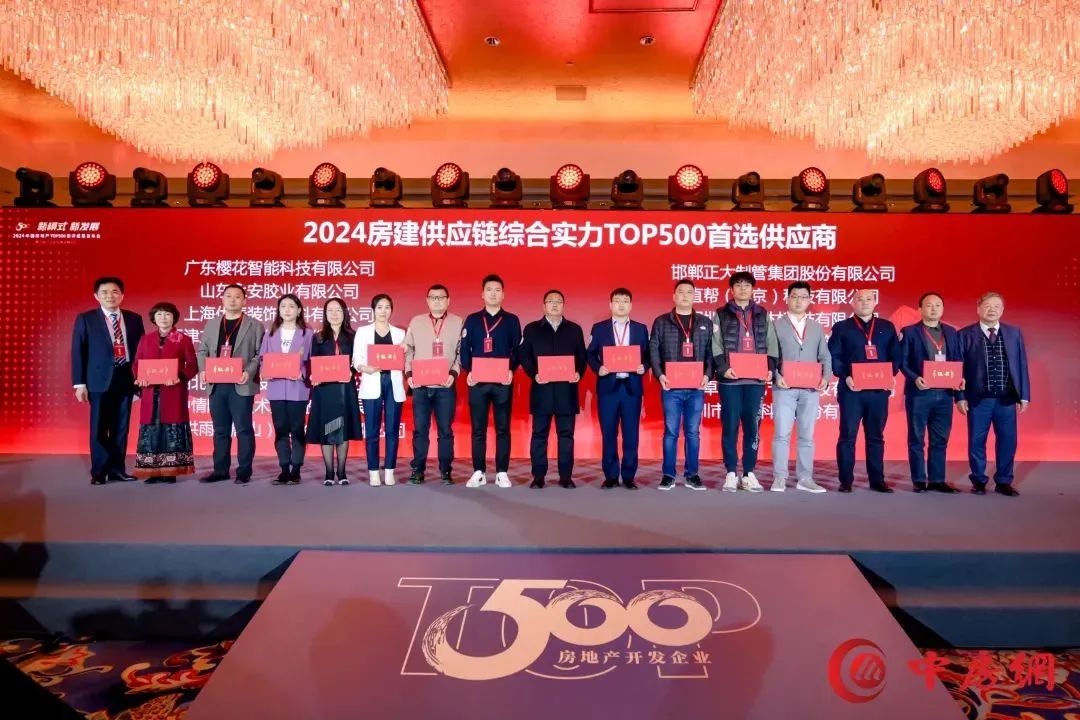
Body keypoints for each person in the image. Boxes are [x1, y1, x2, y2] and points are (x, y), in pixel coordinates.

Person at [71, 276, 146, 485]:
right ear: (96, 296)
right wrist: (79, 384)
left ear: (122, 295)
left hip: (126, 379)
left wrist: (141, 379)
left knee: (121, 428)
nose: (110, 296)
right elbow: (78, 351)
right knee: (99, 428)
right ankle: (99, 471)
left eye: (114, 292)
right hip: (98, 380)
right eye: (104, 292)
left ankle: (117, 470)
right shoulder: (86, 319)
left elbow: (142, 352)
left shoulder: (134, 319)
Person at [956, 292, 1030, 497]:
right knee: (976, 441)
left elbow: (1022, 365)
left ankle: (1004, 481)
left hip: (1006, 399)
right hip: (978, 399)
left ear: (1002, 310)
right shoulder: (964, 334)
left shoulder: (1014, 333)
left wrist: (1024, 396)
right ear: (978, 309)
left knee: (1007, 441)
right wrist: (960, 396)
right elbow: (958, 368)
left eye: (997, 306)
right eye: (988, 306)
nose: (992, 309)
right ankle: (978, 480)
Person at [712, 271, 778, 493]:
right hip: (730, 381)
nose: (743, 288)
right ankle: (731, 472)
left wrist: (770, 369)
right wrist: (723, 368)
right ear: (731, 289)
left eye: (747, 285)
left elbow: (771, 343)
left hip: (756, 381)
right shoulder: (721, 314)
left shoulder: (762, 314)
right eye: (738, 285)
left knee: (753, 428)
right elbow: (715, 344)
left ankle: (749, 472)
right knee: (730, 427)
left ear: (752, 289)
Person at [828, 289, 900, 493]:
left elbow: (896, 355)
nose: (865, 302)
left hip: (878, 392)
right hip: (852, 391)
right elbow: (835, 356)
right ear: (852, 303)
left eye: (869, 299)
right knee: (847, 435)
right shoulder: (841, 327)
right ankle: (846, 481)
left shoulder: (886, 327)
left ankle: (877, 481)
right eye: (860, 299)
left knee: (876, 436)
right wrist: (845, 376)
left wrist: (891, 375)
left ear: (875, 302)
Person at [648, 278, 714, 491]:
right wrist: (659, 375)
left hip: (696, 387)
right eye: (681, 292)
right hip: (671, 387)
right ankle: (668, 475)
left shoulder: (705, 322)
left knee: (693, 432)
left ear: (694, 296)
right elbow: (653, 350)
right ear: (674, 296)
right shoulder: (661, 322)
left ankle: (692, 474)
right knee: (671, 432)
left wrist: (707, 375)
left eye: (689, 292)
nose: (685, 296)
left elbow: (711, 352)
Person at [519, 290, 588, 489]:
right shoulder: (532, 329)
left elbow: (582, 357)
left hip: (567, 391)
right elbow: (524, 356)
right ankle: (538, 476)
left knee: (566, 436)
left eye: (558, 301)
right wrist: (534, 374)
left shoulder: (574, 329)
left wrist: (578, 373)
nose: (555, 304)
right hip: (542, 390)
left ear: (564, 306)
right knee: (539, 435)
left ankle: (565, 476)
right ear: (544, 306)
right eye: (550, 301)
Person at [197, 284, 264, 484]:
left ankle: (244, 471)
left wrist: (248, 372)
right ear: (222, 299)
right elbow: (202, 351)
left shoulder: (255, 325)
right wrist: (203, 370)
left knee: (243, 429)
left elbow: (259, 354)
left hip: (241, 384)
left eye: (237, 296)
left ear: (244, 301)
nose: (232, 300)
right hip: (217, 385)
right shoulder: (212, 324)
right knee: (220, 430)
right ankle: (220, 470)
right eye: (228, 296)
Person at [460, 274, 522, 488]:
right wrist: (468, 370)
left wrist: (511, 369)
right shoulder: (472, 320)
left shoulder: (512, 320)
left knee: (503, 428)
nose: (493, 293)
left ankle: (502, 472)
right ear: (482, 294)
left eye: (497, 290)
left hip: (502, 382)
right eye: (489, 289)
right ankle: (478, 471)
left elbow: (518, 350)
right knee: (478, 429)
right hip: (477, 382)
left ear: (503, 294)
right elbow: (464, 349)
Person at [898, 292, 963, 493]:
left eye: (937, 305)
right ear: (920, 309)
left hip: (945, 394)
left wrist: (959, 379)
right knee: (917, 438)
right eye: (928, 305)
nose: (933, 309)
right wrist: (915, 378)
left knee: (940, 439)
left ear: (942, 309)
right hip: (920, 393)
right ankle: (919, 480)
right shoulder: (909, 332)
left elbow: (957, 360)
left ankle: (937, 480)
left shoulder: (951, 332)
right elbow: (902, 362)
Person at [771, 281, 831, 493]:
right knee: (782, 434)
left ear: (809, 300)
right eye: (794, 296)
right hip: (784, 388)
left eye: (803, 297)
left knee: (807, 435)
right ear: (787, 299)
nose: (798, 301)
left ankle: (805, 478)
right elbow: (769, 355)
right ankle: (779, 477)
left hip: (810, 389)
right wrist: (776, 376)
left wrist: (826, 377)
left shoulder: (816, 327)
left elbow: (824, 355)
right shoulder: (775, 325)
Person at [586, 288, 649, 490]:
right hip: (608, 389)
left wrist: (644, 367)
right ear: (610, 305)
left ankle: (629, 476)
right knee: (609, 433)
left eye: (625, 301)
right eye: (617, 300)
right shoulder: (599, 328)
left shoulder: (640, 329)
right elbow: (590, 354)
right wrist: (599, 368)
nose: (621, 304)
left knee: (631, 434)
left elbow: (648, 356)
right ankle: (611, 476)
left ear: (631, 305)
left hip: (631, 389)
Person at [404, 284, 463, 486]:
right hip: (420, 386)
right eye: (433, 297)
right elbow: (408, 350)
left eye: (441, 297)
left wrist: (454, 373)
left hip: (445, 386)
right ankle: (418, 470)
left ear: (448, 300)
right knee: (420, 430)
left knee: (445, 431)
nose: (437, 301)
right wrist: (409, 374)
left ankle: (446, 471)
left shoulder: (458, 322)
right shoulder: (416, 321)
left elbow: (461, 353)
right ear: (427, 300)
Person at [132, 302, 197, 483]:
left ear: (174, 318)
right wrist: (139, 377)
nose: (163, 318)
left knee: (171, 429)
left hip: (173, 391)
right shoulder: (145, 339)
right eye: (159, 314)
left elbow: (193, 365)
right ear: (154, 318)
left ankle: (170, 471)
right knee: (152, 429)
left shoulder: (183, 339)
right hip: (150, 392)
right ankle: (153, 471)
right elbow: (137, 363)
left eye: (167, 314)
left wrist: (179, 377)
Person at [308, 298, 363, 485]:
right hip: (324, 389)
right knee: (327, 429)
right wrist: (315, 375)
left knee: (343, 429)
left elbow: (357, 361)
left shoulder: (353, 336)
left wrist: (352, 371)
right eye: (330, 310)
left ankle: (342, 472)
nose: (334, 314)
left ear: (344, 313)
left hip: (345, 388)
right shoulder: (318, 337)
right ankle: (329, 473)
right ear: (325, 314)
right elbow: (314, 361)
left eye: (338, 310)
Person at [353, 294, 407, 487]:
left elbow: (405, 360)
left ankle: (390, 471)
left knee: (392, 430)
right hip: (371, 381)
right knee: (372, 431)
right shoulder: (363, 331)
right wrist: (364, 368)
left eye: (387, 307)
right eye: (379, 307)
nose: (383, 311)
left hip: (393, 383)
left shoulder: (400, 333)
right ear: (373, 310)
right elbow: (356, 359)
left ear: (391, 310)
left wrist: (405, 352)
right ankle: (374, 472)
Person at [259, 294, 314, 485]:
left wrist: (302, 373)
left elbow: (312, 361)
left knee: (297, 429)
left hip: (298, 389)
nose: (287, 310)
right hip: (276, 388)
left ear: (299, 310)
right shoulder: (270, 334)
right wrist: (264, 372)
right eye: (283, 306)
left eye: (292, 306)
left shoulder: (307, 334)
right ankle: (284, 469)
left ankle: (296, 469)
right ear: (278, 310)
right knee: (280, 429)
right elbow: (263, 359)